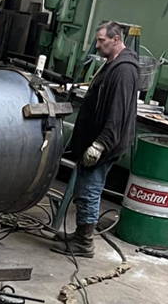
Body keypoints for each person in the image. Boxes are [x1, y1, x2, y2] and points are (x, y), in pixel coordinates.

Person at [52, 21, 139, 258]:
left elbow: (117, 114)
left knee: (90, 189)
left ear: (116, 40)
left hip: (104, 144)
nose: (98, 45)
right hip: (94, 140)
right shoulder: (112, 64)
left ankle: (84, 242)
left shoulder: (123, 70)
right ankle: (80, 233)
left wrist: (100, 144)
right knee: (84, 188)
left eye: (102, 41)